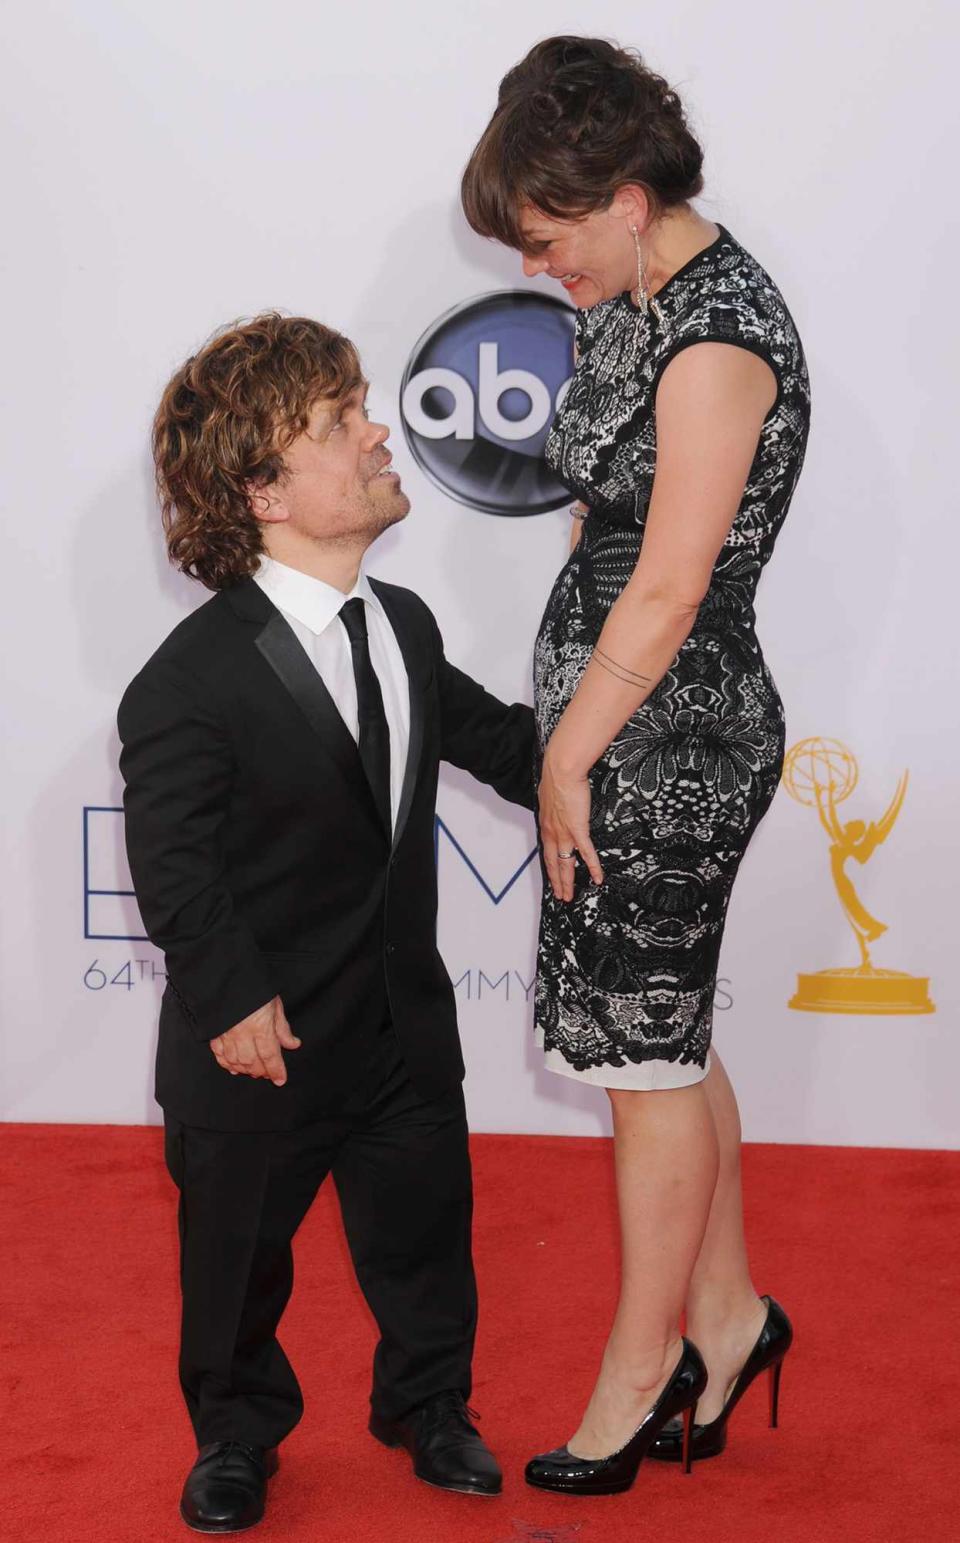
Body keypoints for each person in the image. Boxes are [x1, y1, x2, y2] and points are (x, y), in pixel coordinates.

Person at [117, 313, 536, 1530]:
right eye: (337, 419)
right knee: (236, 1263)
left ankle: (430, 1403)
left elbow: (504, 745)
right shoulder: (188, 678)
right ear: (262, 485)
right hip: (263, 1034)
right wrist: (233, 997)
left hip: (403, 1024)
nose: (377, 431)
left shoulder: (401, 628)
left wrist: (615, 759)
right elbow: (174, 861)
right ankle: (236, 1434)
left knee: (426, 1239)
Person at [461, 35, 809, 1494]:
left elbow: (667, 593)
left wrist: (565, 759)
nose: (544, 271)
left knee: (644, 1064)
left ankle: (644, 1365)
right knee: (662, 1043)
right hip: (625, 722)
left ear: (620, 192)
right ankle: (728, 1320)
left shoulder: (717, 326)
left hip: (671, 741)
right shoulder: (642, 290)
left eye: (547, 242)